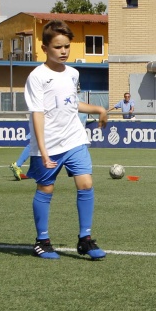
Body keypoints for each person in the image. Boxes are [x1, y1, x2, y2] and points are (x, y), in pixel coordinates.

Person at [24, 20, 109, 260]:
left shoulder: (73, 73)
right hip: (48, 145)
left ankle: (86, 239)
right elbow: (37, 114)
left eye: (67, 47)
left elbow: (72, 104)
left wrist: (98, 109)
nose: (63, 51)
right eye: (58, 47)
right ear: (44, 48)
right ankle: (42, 241)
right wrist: (43, 151)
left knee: (86, 184)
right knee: (46, 188)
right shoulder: (37, 77)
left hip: (74, 139)